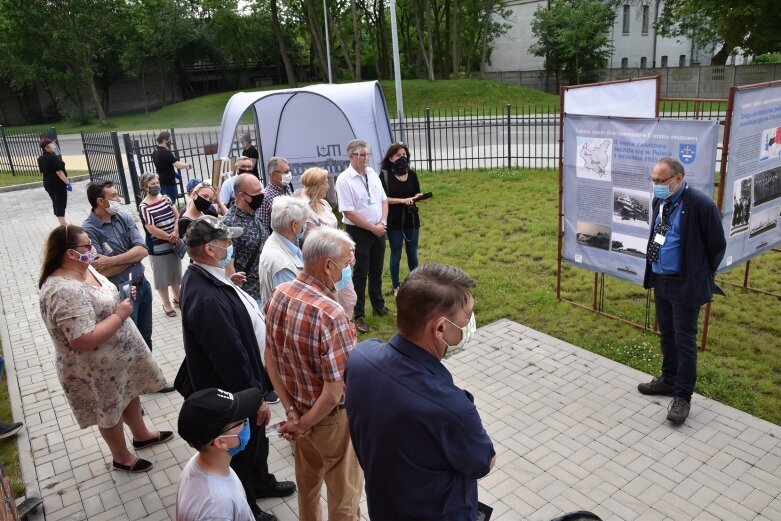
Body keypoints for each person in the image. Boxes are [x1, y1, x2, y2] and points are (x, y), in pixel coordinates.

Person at [345, 263, 496, 520]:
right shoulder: (451, 408)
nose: (471, 322)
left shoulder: (360, 358)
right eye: (467, 316)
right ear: (439, 328)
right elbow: (484, 462)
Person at [180, 216, 295, 521]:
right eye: (226, 242)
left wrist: (231, 288)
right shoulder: (206, 297)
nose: (231, 246)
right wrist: (253, 397)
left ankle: (260, 481)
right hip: (237, 390)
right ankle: (249, 504)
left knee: (257, 442)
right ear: (208, 249)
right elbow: (228, 355)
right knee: (241, 449)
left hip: (250, 381)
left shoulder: (211, 278)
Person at [38, 225, 173, 473]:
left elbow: (99, 299)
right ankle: (121, 457)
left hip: (117, 361)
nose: (93, 250)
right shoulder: (63, 290)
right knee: (109, 409)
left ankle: (141, 435)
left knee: (129, 392)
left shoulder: (83, 268)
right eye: (87, 246)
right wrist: (120, 314)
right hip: (95, 370)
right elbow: (83, 339)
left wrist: (120, 297)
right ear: (69, 253)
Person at [265, 227, 363, 521]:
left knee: (308, 487)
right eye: (346, 263)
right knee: (345, 497)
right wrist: (303, 423)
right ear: (328, 265)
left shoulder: (280, 294)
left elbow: (270, 357)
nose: (349, 268)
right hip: (332, 420)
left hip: (300, 410)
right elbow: (335, 393)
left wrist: (293, 413)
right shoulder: (331, 315)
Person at [638, 157, 727, 424]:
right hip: (661, 279)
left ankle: (682, 397)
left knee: (684, 340)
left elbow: (717, 245)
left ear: (678, 179)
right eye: (652, 180)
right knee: (667, 334)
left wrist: (699, 272)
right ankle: (668, 379)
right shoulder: (661, 200)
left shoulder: (701, 205)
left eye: (660, 181)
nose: (655, 185)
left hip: (684, 284)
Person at [176, 387, 264, 521]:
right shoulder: (216, 508)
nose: (247, 421)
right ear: (220, 442)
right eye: (241, 420)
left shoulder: (199, 463)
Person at [334, 139, 390, 333]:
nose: (366, 158)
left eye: (368, 154)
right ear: (351, 157)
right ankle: (359, 315)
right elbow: (348, 212)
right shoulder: (344, 180)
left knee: (377, 269)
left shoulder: (372, 173)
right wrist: (372, 228)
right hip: (359, 231)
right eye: (362, 155)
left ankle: (378, 304)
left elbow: (383, 199)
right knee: (360, 273)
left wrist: (382, 222)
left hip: (378, 228)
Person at [299, 167, 357, 318]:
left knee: (349, 299)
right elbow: (312, 243)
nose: (329, 186)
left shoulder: (324, 203)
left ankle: (347, 327)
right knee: (333, 303)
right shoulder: (305, 210)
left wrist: (348, 251)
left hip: (340, 260)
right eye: (325, 183)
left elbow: (337, 230)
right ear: (316, 186)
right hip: (326, 264)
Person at [379, 143, 423, 296]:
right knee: (396, 253)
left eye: (404, 155)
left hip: (411, 219)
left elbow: (417, 193)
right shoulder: (384, 175)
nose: (402, 158)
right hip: (394, 220)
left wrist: (417, 198)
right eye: (398, 155)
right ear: (391, 158)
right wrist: (402, 201)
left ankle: (416, 282)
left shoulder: (412, 174)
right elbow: (383, 199)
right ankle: (396, 286)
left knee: (413, 253)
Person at [139, 173, 183, 317]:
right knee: (162, 276)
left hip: (174, 242)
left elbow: (177, 216)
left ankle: (178, 299)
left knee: (175, 272)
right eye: (153, 184)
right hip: (158, 246)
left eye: (157, 182)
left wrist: (176, 231)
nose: (157, 185)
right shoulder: (144, 206)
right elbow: (151, 228)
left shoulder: (166, 198)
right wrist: (168, 237)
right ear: (145, 187)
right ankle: (166, 304)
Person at [223, 174, 267, 305]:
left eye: (261, 190)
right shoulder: (229, 224)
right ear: (242, 196)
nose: (261, 194)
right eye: (256, 192)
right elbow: (227, 264)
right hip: (249, 297)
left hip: (264, 291)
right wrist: (238, 297)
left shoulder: (254, 213)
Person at [257, 196, 307, 307]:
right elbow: (294, 306)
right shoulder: (283, 266)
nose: (305, 226)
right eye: (304, 222)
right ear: (294, 225)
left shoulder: (283, 242)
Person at [152, 131, 192, 203]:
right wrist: (188, 164)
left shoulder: (155, 151)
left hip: (160, 180)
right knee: (171, 202)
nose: (170, 142)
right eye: (169, 139)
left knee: (162, 202)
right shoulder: (166, 152)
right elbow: (178, 165)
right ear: (164, 140)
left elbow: (164, 165)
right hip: (169, 181)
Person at [38, 138, 70, 226]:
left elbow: (42, 172)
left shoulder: (40, 158)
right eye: (51, 145)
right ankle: (63, 224)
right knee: (60, 202)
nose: (53, 146)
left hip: (47, 183)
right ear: (47, 147)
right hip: (57, 184)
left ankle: (61, 221)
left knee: (55, 202)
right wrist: (67, 183)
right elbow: (59, 172)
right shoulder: (53, 157)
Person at [259, 157, 293, 235]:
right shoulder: (265, 197)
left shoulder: (287, 187)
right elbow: (263, 229)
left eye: (289, 171)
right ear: (274, 175)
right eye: (286, 172)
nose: (289, 174)